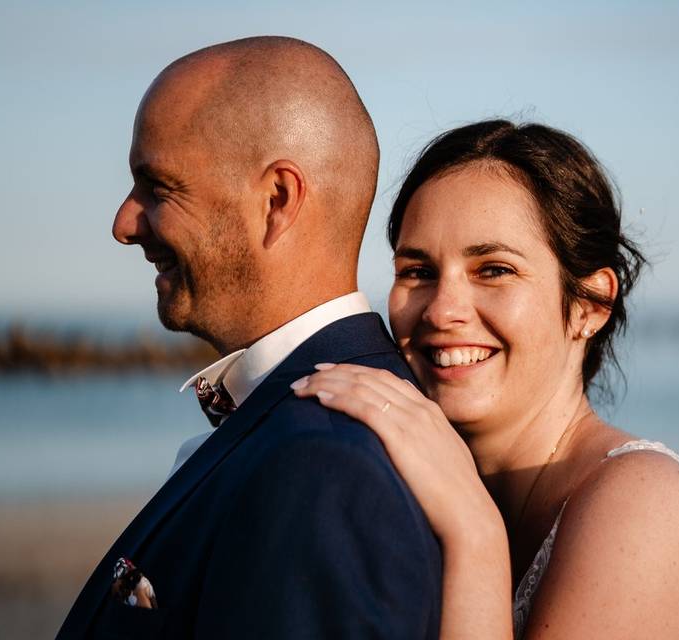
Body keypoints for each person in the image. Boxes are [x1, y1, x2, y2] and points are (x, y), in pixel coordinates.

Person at [293, 120, 679, 639]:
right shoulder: (415, 494)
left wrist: (476, 538)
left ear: (590, 303)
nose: (442, 311)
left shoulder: (645, 508)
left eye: (494, 270)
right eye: (417, 271)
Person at [56, 37, 442, 639]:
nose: (124, 224)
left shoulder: (328, 464)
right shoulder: (302, 423)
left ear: (276, 200)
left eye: (157, 188)